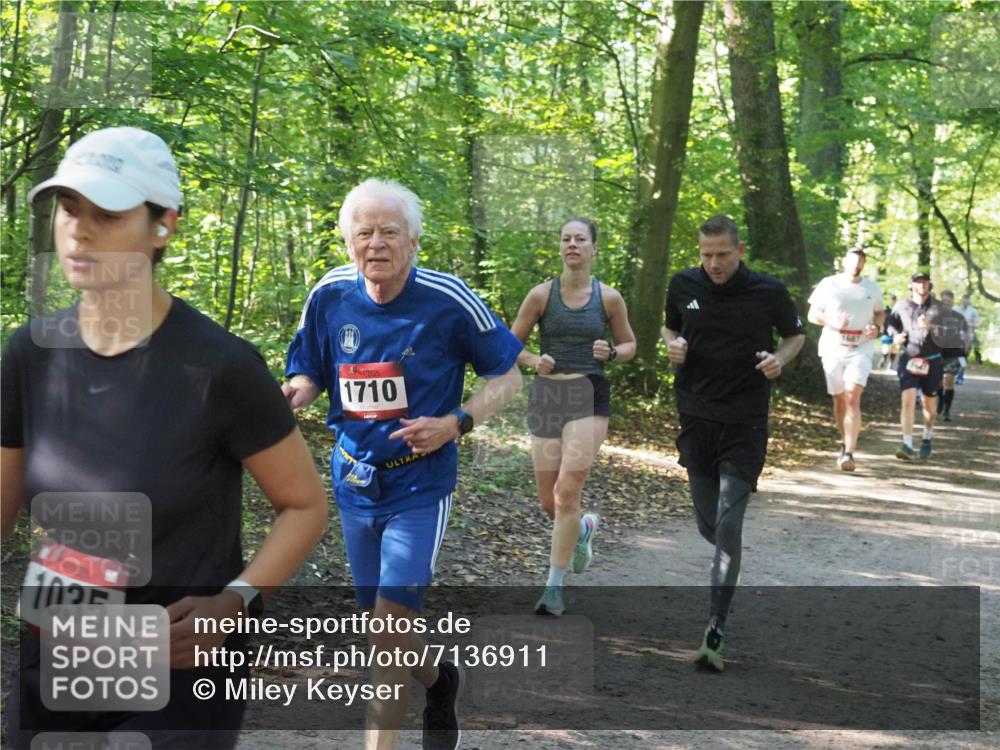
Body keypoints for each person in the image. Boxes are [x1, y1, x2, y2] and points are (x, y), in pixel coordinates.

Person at [1, 127, 329, 749]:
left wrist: (232, 605)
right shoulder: (30, 355)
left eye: (108, 213)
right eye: (70, 209)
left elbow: (305, 506)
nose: (80, 229)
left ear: (163, 226)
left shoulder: (219, 367)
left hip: (179, 662)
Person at [282, 179, 523, 750]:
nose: (376, 244)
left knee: (389, 632)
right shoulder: (329, 295)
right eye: (363, 233)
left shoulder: (448, 299)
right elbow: (310, 371)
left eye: (390, 232)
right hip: (354, 479)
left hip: (420, 485)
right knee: (380, 628)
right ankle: (441, 683)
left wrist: (454, 423)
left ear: (414, 241)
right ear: (347, 242)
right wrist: (294, 394)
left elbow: (508, 377)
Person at [662, 215, 805, 672]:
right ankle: (726, 570)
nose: (714, 263)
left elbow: (795, 334)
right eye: (706, 255)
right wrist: (674, 343)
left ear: (739, 249)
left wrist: (778, 359)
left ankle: (715, 630)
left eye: (722, 254)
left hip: (745, 423)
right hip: (696, 418)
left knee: (727, 527)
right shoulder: (683, 284)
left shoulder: (768, 291)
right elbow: (669, 327)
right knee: (710, 526)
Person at [509, 217, 636, 617]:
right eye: (566, 239)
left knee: (568, 491)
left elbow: (629, 343)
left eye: (580, 239)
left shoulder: (609, 298)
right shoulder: (541, 295)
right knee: (551, 502)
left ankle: (553, 587)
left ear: (594, 248)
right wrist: (533, 359)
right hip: (548, 394)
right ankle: (582, 529)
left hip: (589, 393)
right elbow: (509, 345)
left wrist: (613, 354)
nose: (572, 245)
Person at [806, 247, 883, 471]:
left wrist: (876, 327)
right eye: (852, 262)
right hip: (833, 348)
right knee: (839, 400)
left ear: (864, 264)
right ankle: (844, 441)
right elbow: (812, 314)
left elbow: (879, 312)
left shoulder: (872, 287)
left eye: (860, 262)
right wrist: (832, 321)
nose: (855, 266)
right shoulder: (829, 284)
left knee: (852, 397)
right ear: (844, 262)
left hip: (861, 348)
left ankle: (849, 452)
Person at [886, 272, 948, 460]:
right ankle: (907, 444)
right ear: (911, 285)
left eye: (925, 282)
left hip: (933, 360)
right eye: (917, 282)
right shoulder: (901, 306)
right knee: (908, 400)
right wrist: (895, 335)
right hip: (910, 359)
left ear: (930, 285)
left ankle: (927, 438)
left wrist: (932, 328)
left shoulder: (939, 308)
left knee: (929, 403)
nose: (921, 285)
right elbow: (890, 323)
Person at [934, 290, 968, 421]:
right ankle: (940, 404)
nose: (946, 303)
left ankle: (946, 411)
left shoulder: (959, 317)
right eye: (944, 301)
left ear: (953, 301)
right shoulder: (936, 316)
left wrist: (967, 347)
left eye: (949, 300)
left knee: (949, 380)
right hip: (938, 352)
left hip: (954, 352)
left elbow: (966, 333)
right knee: (938, 383)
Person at [956, 292, 983, 374]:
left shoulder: (973, 311)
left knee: (963, 356)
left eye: (967, 300)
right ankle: (954, 373)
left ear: (969, 301)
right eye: (964, 300)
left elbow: (979, 322)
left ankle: (960, 375)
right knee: (956, 356)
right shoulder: (955, 308)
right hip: (955, 337)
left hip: (968, 337)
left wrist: (970, 324)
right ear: (961, 300)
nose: (965, 302)